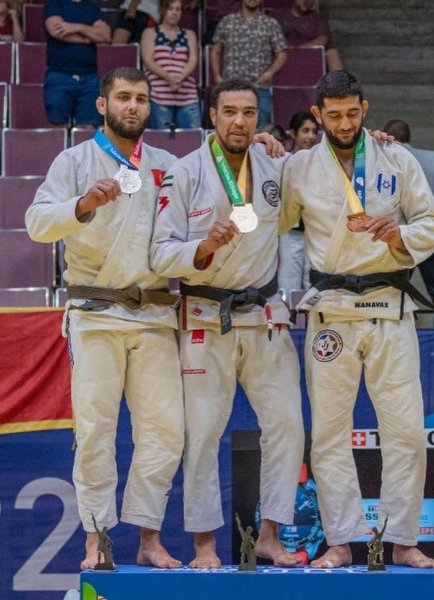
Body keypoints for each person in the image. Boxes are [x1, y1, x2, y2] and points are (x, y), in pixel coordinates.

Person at [280, 70, 434, 569]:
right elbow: (274, 221)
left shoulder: (396, 158)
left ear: (365, 109)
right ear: (317, 115)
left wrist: (399, 235)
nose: (345, 123)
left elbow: (433, 222)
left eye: (353, 113)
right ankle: (340, 540)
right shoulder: (298, 168)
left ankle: (403, 539)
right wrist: (266, 153)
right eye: (334, 115)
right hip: (331, 311)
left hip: (389, 307)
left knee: (407, 431)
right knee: (330, 433)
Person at [25, 67, 185, 570]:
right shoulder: (73, 161)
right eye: (123, 97)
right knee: (96, 431)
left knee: (165, 432)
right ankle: (96, 540)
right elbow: (36, 224)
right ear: (102, 105)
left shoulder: (167, 165)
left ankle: (149, 538)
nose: (132, 106)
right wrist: (82, 205)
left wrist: (265, 148)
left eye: (141, 98)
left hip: (153, 312)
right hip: (94, 313)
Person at [151, 78, 304, 569]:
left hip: (264, 314)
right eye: (230, 111)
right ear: (212, 115)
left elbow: (326, 170)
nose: (240, 121)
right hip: (204, 316)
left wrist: (379, 141)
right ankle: (204, 545)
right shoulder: (185, 172)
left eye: (248, 112)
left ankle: (270, 536)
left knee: (288, 426)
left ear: (258, 118)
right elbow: (159, 254)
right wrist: (203, 247)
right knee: (202, 434)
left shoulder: (276, 167)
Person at [383, 119, 434, 330]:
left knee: (391, 295)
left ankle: (390, 340)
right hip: (433, 241)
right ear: (409, 136)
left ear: (387, 136)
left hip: (398, 240)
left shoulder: (384, 160)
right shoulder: (433, 158)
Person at [210, 0, 287, 128]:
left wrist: (269, 73)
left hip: (259, 89)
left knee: (261, 132)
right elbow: (215, 50)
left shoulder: (270, 24)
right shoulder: (227, 22)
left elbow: (281, 53)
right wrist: (217, 76)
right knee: (229, 130)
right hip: (230, 89)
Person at [44, 0, 111, 128]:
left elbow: (106, 36)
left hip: (89, 76)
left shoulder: (92, 8)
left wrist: (76, 27)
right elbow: (56, 31)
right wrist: (88, 37)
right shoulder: (55, 4)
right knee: (59, 127)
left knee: (89, 127)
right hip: (60, 74)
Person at [278, 111, 319, 301]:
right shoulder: (282, 161)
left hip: (315, 232)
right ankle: (288, 319)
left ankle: (313, 320)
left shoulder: (322, 162)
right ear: (293, 133)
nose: (310, 136)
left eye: (314, 131)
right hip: (290, 232)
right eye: (305, 130)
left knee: (314, 284)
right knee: (288, 285)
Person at [141, 0, 201, 129]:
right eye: (170, 9)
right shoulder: (150, 33)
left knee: (194, 136)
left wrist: (179, 78)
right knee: (161, 138)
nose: (174, 13)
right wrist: (169, 78)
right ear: (162, 10)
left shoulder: (190, 34)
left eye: (178, 9)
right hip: (158, 95)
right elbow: (148, 60)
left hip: (187, 94)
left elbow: (193, 60)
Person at [275, 0, 343, 72]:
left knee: (332, 52)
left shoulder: (317, 18)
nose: (306, 1)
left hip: (309, 52)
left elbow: (322, 39)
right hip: (282, 51)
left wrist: (299, 48)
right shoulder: (279, 15)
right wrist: (285, 46)